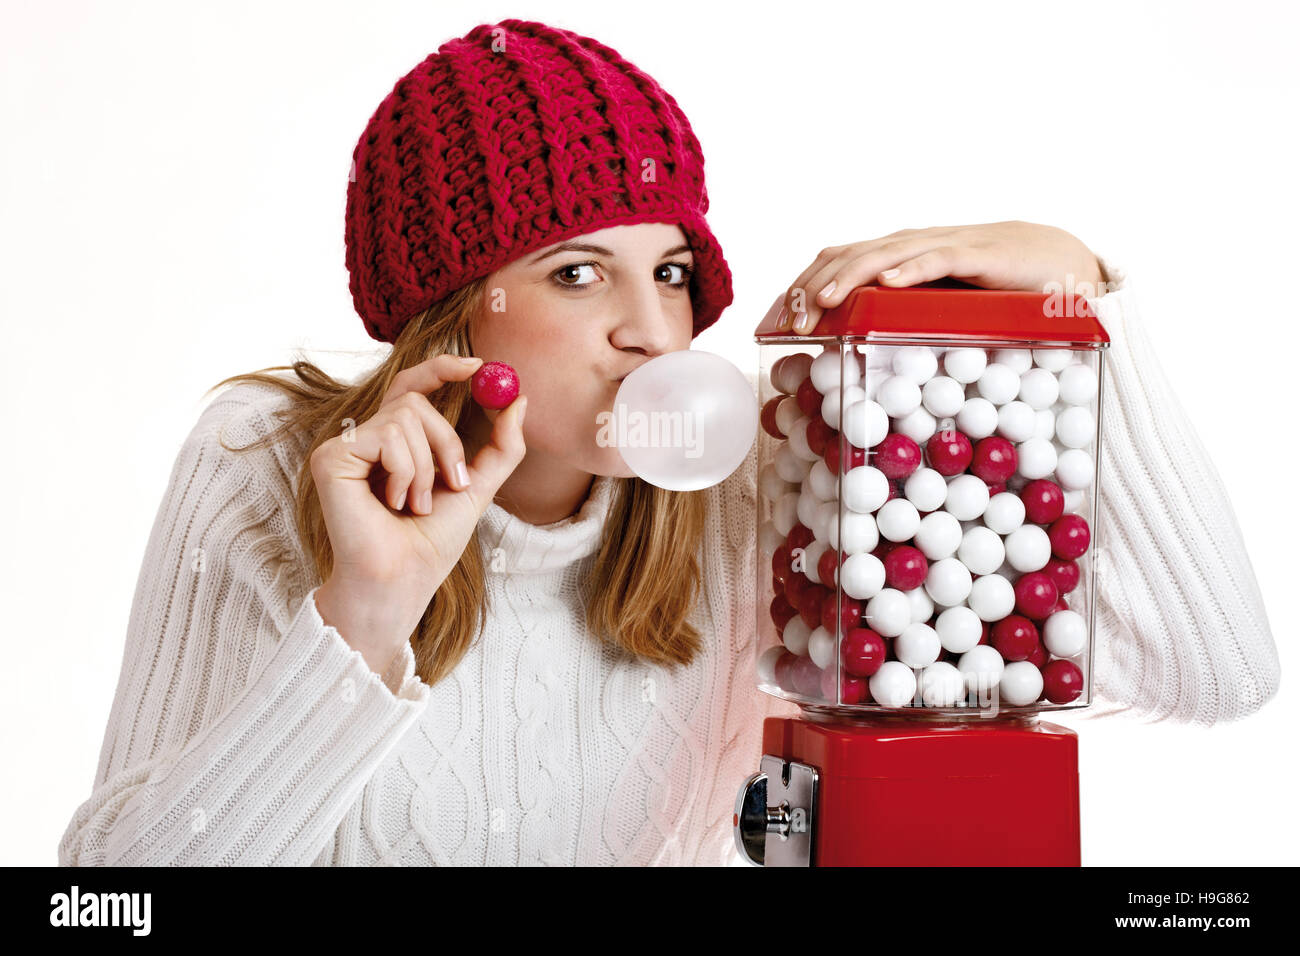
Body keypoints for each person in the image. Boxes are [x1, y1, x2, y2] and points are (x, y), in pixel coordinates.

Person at [58, 18, 1278, 867]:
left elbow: (1214, 673)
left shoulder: (772, 475)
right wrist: (363, 617)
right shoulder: (265, 465)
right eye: (580, 271)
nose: (653, 330)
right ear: (455, 303)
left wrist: (1086, 303)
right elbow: (113, 898)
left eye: (676, 271)